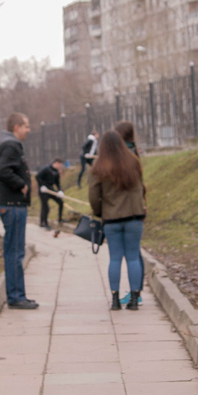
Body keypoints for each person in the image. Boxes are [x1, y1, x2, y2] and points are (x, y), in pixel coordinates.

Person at [90, 131, 147, 310]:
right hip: (134, 217)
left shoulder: (98, 167)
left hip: (111, 219)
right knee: (133, 257)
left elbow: (93, 195)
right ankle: (134, 298)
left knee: (114, 259)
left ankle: (115, 300)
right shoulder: (133, 162)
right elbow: (141, 188)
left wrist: (100, 212)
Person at [0, 113, 38, 309]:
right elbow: (2, 170)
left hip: (12, 205)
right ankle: (16, 296)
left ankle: (18, 294)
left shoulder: (7, 143)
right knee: (15, 253)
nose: (28, 130)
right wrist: (22, 184)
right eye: (26, 126)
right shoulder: (11, 145)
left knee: (15, 251)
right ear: (17, 127)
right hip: (13, 205)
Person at [36, 158, 65, 228]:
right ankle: (43, 222)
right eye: (60, 165)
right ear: (56, 163)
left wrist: (60, 190)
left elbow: (57, 183)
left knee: (61, 202)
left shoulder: (56, 172)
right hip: (43, 191)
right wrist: (42, 185)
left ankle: (60, 219)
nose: (61, 166)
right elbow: (37, 177)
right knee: (45, 207)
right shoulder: (46, 169)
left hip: (50, 190)